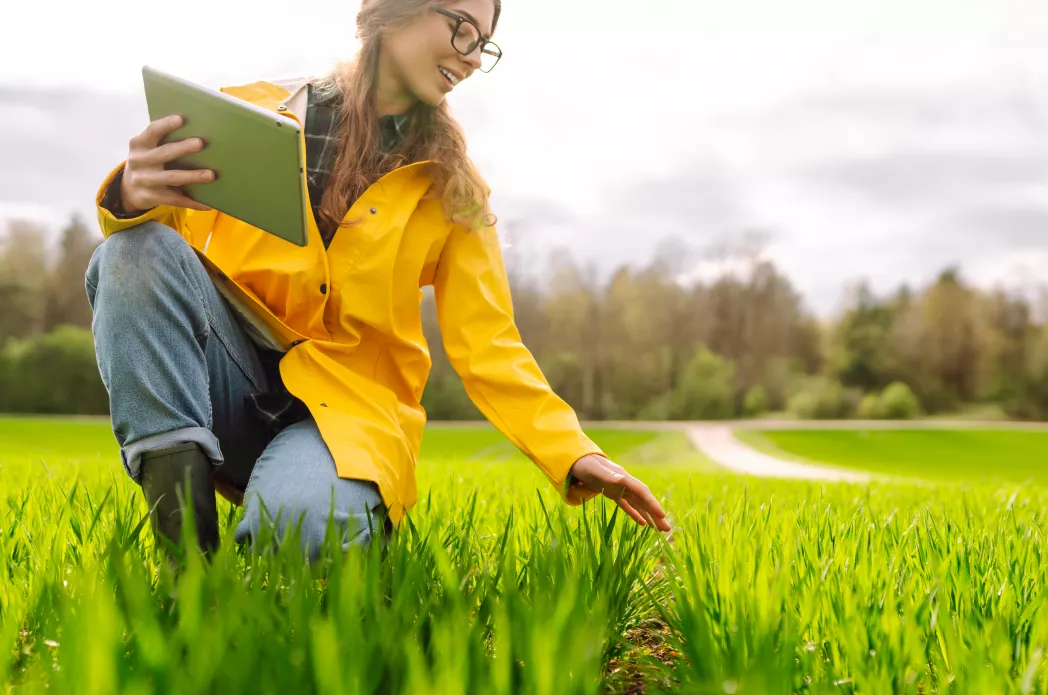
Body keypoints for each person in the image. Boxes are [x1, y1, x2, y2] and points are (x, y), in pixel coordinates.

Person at [86, 0, 671, 560]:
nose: (471, 56)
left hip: (350, 417)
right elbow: (155, 277)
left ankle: (340, 505)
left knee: (298, 535)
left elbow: (489, 344)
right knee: (131, 253)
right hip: (227, 381)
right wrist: (134, 196)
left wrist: (573, 453)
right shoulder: (249, 116)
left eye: (484, 45)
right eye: (462, 28)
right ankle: (188, 568)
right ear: (395, 9)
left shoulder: (455, 192)